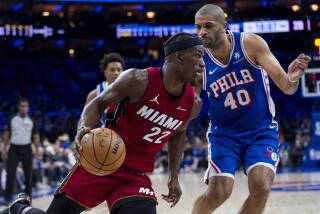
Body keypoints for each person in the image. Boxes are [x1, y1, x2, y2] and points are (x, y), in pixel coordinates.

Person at [1, 32, 205, 214]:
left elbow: (179, 133)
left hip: (134, 176)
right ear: (179, 56)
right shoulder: (137, 80)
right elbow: (96, 104)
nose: (203, 63)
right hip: (99, 163)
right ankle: (19, 209)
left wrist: (173, 175)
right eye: (198, 54)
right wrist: (83, 129)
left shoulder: (193, 104)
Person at [191, 4, 311, 214]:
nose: (202, 32)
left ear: (224, 25)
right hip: (223, 135)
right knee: (219, 192)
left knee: (261, 186)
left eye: (208, 26)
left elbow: (286, 86)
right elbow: (190, 105)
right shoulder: (197, 60)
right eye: (198, 27)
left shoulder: (250, 44)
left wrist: (294, 77)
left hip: (261, 130)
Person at [1, 99, 40, 204]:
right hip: (13, 149)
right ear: (18, 107)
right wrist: (4, 149)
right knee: (10, 174)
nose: (24, 108)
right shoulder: (12, 119)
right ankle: (7, 198)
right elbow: (7, 134)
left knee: (28, 176)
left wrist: (37, 151)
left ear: (28, 108)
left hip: (27, 149)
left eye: (26, 106)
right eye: (22, 106)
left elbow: (36, 136)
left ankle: (28, 199)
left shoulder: (32, 120)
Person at [84, 52, 125, 127]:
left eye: (119, 70)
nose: (116, 73)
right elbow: (84, 120)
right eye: (112, 70)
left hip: (128, 133)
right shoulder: (95, 94)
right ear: (105, 72)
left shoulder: (130, 90)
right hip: (106, 134)